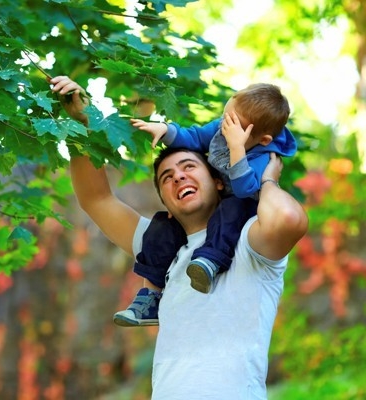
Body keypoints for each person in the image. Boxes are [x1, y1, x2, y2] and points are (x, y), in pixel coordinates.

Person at [50, 75, 308, 399]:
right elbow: (96, 198)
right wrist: (80, 123)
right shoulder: (160, 247)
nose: (178, 177)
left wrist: (268, 179)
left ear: (218, 181)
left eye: (188, 167)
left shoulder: (248, 240)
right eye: (167, 177)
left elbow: (288, 218)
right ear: (167, 206)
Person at [114, 83, 297, 327]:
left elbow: (244, 189)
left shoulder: (262, 157)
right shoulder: (224, 126)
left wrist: (236, 148)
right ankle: (151, 296)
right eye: (225, 117)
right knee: (161, 225)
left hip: (242, 205)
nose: (225, 128)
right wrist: (166, 130)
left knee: (231, 209)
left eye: (235, 126)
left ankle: (210, 261)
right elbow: (197, 137)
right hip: (218, 200)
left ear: (262, 140)